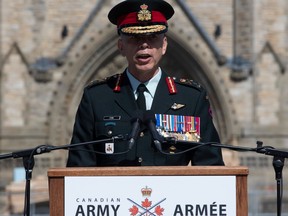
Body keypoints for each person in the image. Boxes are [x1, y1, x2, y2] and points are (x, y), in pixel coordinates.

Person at [66, 0, 224, 167]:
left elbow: (210, 166)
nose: (144, 45)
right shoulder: (97, 97)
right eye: (135, 38)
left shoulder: (191, 98)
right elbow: (79, 166)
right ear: (121, 46)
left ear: (164, 45)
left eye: (152, 38)